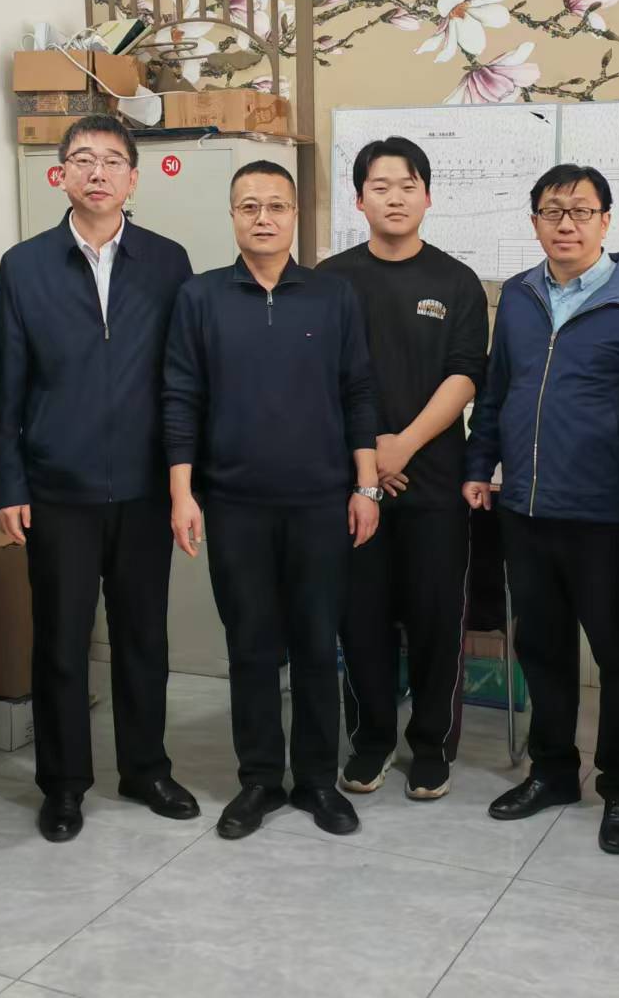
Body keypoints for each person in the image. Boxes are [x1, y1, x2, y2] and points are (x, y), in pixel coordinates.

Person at [0, 114, 198, 843]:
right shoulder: (24, 266)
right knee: (60, 642)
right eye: (82, 159)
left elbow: (183, 380)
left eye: (112, 161)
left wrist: (184, 484)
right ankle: (64, 784)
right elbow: (7, 386)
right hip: (58, 489)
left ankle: (145, 768)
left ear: (133, 178)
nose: (97, 172)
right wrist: (9, 485)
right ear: (61, 175)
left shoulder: (167, 262)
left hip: (143, 487)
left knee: (144, 638)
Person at [162, 160, 382, 841]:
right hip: (234, 504)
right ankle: (259, 778)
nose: (264, 217)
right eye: (250, 205)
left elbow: (358, 391)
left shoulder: (333, 295)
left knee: (317, 642)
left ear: (295, 215)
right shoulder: (200, 297)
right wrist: (182, 493)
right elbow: (180, 397)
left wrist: (366, 485)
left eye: (277, 205)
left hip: (321, 502)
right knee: (251, 645)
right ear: (232, 215)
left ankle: (316, 779)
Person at [464, 164, 619, 855]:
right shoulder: (519, 296)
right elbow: (496, 390)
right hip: (525, 507)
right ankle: (552, 771)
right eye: (552, 211)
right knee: (543, 649)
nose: (566, 224)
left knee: (617, 656)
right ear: (534, 221)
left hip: (605, 517)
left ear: (606, 220)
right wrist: (479, 465)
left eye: (582, 211)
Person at [320, 137, 489, 801]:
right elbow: (321, 378)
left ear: (428, 196)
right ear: (359, 199)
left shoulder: (457, 281)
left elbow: (465, 375)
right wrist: (370, 457)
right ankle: (370, 741)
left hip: (435, 485)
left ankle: (431, 745)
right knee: (359, 621)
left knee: (435, 623)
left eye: (408, 185)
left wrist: (403, 446)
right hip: (354, 486)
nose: (395, 197)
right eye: (380, 186)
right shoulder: (330, 279)